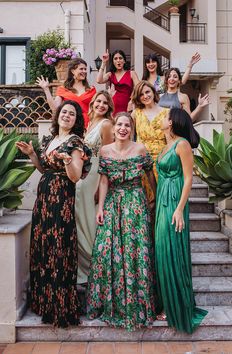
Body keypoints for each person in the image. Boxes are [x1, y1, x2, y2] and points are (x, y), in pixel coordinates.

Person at [16, 100, 91, 328]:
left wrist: (68, 161)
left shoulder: (75, 143)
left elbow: (75, 177)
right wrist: (32, 154)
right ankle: (44, 302)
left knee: (58, 248)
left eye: (72, 114)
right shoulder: (50, 140)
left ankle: (60, 306)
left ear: (77, 120)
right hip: (44, 199)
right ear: (58, 115)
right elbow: (44, 169)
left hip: (61, 200)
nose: (67, 116)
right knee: (44, 247)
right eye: (64, 112)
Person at [87, 112, 157, 330]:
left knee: (136, 252)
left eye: (127, 125)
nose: (123, 128)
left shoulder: (141, 149)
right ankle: (110, 304)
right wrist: (100, 208)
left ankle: (137, 306)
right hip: (112, 203)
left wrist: (156, 200)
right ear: (114, 126)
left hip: (135, 204)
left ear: (132, 128)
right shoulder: (105, 150)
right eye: (119, 124)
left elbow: (150, 177)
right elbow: (104, 180)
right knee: (105, 250)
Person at [155, 108, 208, 333]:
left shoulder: (183, 144)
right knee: (161, 250)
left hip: (175, 199)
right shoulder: (167, 145)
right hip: (161, 199)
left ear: (173, 122)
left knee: (171, 250)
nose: (162, 119)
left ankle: (176, 307)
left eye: (166, 117)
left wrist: (179, 209)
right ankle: (167, 303)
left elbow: (188, 179)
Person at [75, 90, 114, 285]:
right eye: (98, 101)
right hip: (83, 174)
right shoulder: (89, 123)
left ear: (109, 107)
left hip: (95, 174)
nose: (101, 105)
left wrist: (101, 185)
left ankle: (98, 267)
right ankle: (85, 268)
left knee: (89, 222)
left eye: (105, 103)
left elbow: (107, 156)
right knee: (80, 220)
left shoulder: (106, 124)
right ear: (92, 104)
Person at [131, 80, 169, 202]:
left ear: (153, 92)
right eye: (141, 94)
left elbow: (171, 138)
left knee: (163, 197)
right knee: (146, 199)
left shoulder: (167, 112)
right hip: (142, 160)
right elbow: (130, 138)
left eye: (147, 92)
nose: (145, 96)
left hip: (162, 159)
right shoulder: (136, 113)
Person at [36, 58, 96, 128]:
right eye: (81, 69)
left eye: (85, 69)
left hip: (88, 125)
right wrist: (46, 89)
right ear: (73, 71)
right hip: (70, 124)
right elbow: (55, 107)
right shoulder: (63, 89)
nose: (84, 71)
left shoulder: (91, 89)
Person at [97, 49, 139, 116]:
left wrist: (132, 101)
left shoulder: (131, 73)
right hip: (113, 108)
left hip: (128, 107)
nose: (118, 60)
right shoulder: (110, 74)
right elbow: (99, 80)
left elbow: (139, 88)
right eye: (115, 59)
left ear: (124, 60)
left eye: (120, 58)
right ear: (113, 62)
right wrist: (104, 62)